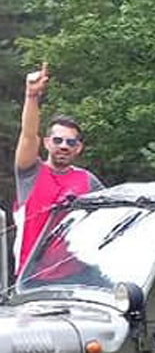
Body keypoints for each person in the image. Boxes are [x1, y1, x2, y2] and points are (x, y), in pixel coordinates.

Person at [13, 63, 103, 274]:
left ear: (78, 148)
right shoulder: (30, 172)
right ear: (46, 142)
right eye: (58, 140)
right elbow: (28, 135)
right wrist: (32, 95)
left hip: (78, 277)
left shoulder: (88, 180)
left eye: (71, 142)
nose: (64, 146)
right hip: (30, 279)